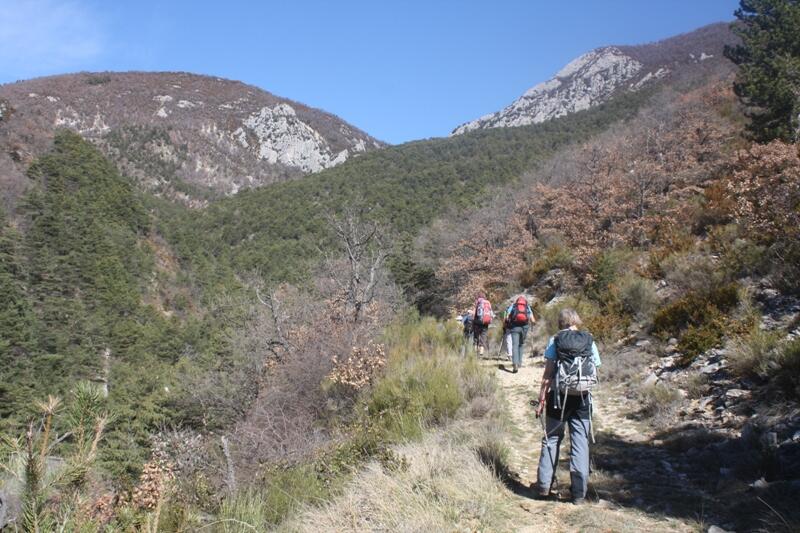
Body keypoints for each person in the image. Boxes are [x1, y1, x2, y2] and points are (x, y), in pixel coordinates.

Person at [535, 308, 601, 505]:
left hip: (558, 397)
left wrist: (541, 399)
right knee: (580, 442)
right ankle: (579, 493)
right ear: (576, 321)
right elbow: (596, 367)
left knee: (552, 438)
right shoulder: (589, 339)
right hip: (582, 398)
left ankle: (544, 486)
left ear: (560, 322)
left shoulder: (555, 340)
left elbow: (548, 374)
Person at [505, 295, 534, 373]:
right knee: (521, 344)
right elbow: (532, 319)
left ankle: (515, 364)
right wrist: (532, 323)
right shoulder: (527, 307)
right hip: (524, 327)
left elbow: (507, 317)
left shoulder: (514, 306)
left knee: (515, 345)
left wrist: (508, 322)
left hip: (514, 327)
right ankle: (519, 363)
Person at [472, 292, 494, 357]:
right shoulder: (488, 303)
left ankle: (474, 354)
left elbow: (475, 314)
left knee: (476, 338)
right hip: (485, 323)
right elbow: (491, 314)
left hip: (477, 323)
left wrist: (473, 321)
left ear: (478, 297)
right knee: (483, 338)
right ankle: (481, 354)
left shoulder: (478, 303)